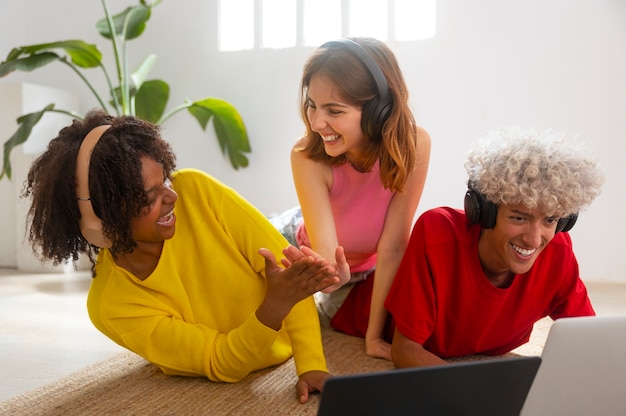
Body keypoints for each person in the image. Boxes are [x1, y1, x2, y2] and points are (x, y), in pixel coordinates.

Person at [22, 109, 344, 404]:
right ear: (101, 224)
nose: (171, 195)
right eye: (150, 197)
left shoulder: (195, 191)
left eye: (164, 178)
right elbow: (222, 362)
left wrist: (311, 363)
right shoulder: (112, 306)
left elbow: (293, 278)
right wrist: (274, 305)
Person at [386, 127, 605, 368]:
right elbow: (404, 349)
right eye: (519, 218)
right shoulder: (437, 233)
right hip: (353, 305)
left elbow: (590, 341)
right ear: (485, 212)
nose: (533, 240)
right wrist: (470, 392)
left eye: (550, 220)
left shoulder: (558, 251)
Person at [290, 37, 431, 360]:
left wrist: (373, 335)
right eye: (312, 104)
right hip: (299, 243)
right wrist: (328, 277)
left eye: (334, 111)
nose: (315, 122)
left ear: (379, 111)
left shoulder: (415, 144)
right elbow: (326, 259)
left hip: (367, 265)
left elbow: (394, 245)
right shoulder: (306, 157)